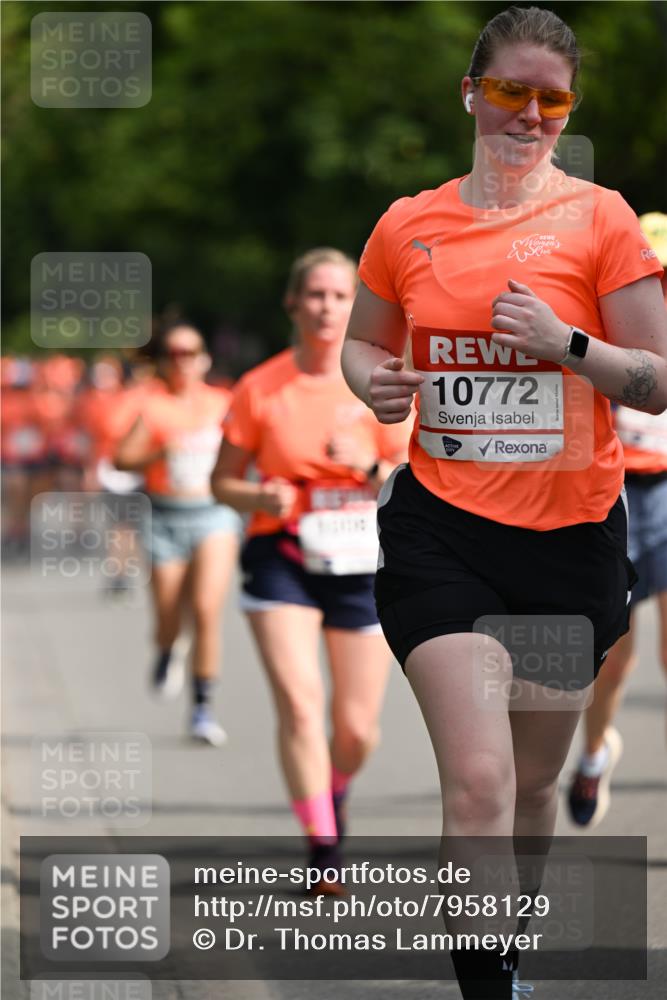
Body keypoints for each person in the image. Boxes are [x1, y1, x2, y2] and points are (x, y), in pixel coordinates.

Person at [340, 6, 667, 998]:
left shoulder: (602, 218)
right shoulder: (408, 221)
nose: (529, 114)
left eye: (551, 98)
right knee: (478, 781)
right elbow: (363, 342)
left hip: (568, 545)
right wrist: (372, 384)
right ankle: (486, 990)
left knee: (527, 791)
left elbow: (654, 379)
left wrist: (565, 344)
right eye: (511, 92)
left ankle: (505, 952)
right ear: (471, 94)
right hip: (443, 534)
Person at [211, 248, 410, 890]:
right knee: (300, 707)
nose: (326, 307)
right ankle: (323, 847)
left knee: (356, 730)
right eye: (314, 295)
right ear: (293, 305)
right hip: (284, 559)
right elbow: (221, 483)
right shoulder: (260, 387)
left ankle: (335, 788)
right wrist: (256, 497)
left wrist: (365, 466)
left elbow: (413, 486)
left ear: (356, 306)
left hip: (362, 563)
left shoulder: (381, 381)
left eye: (338, 295)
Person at [568, 211, 667, 827]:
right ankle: (596, 750)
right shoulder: (602, 317)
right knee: (613, 656)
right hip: (612, 490)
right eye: (649, 272)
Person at [115, 323, 242, 746]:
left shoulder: (224, 403)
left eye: (190, 353)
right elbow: (121, 459)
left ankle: (203, 708)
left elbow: (252, 447)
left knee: (206, 609)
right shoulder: (153, 408)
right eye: (174, 354)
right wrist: (158, 451)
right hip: (164, 516)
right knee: (169, 611)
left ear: (204, 358)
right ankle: (168, 648)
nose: (182, 361)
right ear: (165, 361)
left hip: (213, 515)